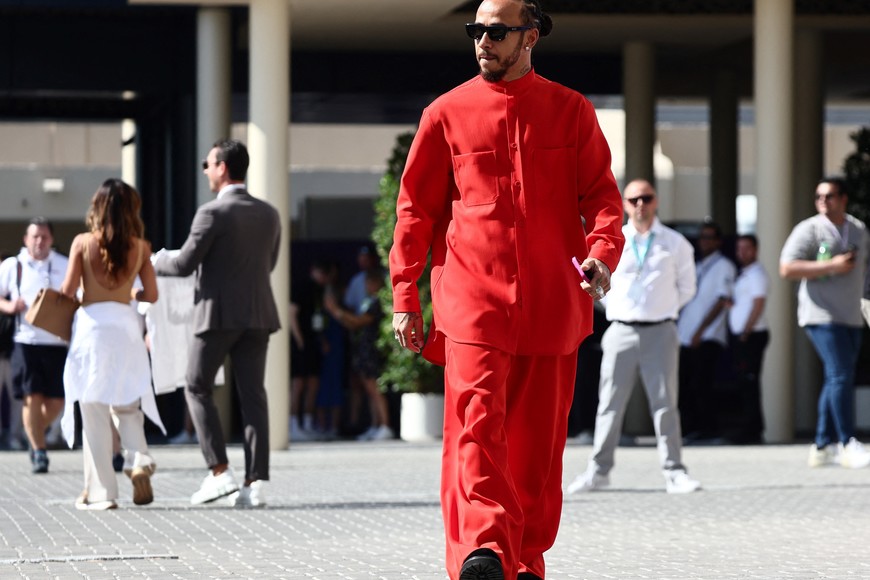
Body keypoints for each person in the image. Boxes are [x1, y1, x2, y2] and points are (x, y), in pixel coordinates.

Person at [389, 1, 625, 577]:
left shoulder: (571, 111)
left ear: (531, 36)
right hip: (472, 304)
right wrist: (404, 297)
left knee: (536, 453)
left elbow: (602, 199)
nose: (483, 42)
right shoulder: (445, 113)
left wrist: (601, 256)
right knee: (474, 428)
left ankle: (522, 561)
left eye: (496, 32)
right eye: (476, 31)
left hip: (552, 306)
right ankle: (485, 550)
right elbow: (414, 213)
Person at [154, 139, 281, 507]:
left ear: (222, 167)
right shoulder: (269, 213)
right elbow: (267, 265)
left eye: (207, 164)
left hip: (217, 315)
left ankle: (219, 472)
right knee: (253, 396)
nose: (206, 171)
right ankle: (254, 484)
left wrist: (152, 261)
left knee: (196, 386)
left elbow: (183, 264)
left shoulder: (211, 213)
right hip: (259, 315)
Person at [567, 179, 701, 496]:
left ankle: (674, 471)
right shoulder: (616, 239)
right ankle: (598, 472)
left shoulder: (676, 242)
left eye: (647, 198)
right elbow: (598, 285)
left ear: (656, 202)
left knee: (666, 404)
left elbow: (688, 288)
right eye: (633, 199)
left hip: (661, 329)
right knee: (609, 404)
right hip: (621, 329)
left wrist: (662, 308)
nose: (640, 204)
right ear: (625, 204)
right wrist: (618, 308)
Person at [59, 179, 163, 510]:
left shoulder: (82, 243)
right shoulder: (141, 247)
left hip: (92, 329)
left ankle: (103, 493)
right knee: (128, 403)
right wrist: (130, 293)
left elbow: (67, 291)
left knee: (94, 409)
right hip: (126, 328)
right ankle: (139, 458)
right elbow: (153, 296)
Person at [780, 176, 870, 469]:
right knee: (840, 374)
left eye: (829, 196)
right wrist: (830, 266)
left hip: (851, 314)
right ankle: (847, 443)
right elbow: (787, 267)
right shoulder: (808, 229)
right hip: (820, 315)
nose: (823, 201)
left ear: (843, 199)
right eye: (819, 196)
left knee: (836, 377)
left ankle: (821, 446)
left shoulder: (858, 229)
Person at [0, 218, 69, 474]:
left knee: (57, 402)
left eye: (45, 237)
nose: (40, 242)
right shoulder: (13, 266)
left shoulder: (63, 264)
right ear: (25, 240)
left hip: (56, 341)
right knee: (32, 396)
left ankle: (34, 434)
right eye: (35, 237)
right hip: (25, 341)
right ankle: (40, 452)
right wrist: (9, 306)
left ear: (51, 239)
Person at [677, 221, 736, 442]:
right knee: (684, 385)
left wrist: (700, 331)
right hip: (685, 335)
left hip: (707, 336)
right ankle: (691, 428)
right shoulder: (697, 265)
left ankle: (707, 429)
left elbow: (722, 300)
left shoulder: (725, 265)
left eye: (710, 237)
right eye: (703, 237)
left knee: (701, 384)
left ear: (719, 241)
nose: (705, 241)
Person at [325, 268, 393, 441]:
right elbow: (354, 325)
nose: (367, 286)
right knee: (369, 390)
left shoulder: (378, 302)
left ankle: (385, 425)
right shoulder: (368, 301)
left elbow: (359, 321)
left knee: (375, 389)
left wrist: (336, 311)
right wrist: (338, 314)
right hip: (363, 349)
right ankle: (375, 425)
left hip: (372, 350)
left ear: (378, 284)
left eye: (371, 283)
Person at [726, 234, 769, 444]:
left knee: (750, 384)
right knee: (744, 384)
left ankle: (752, 430)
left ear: (755, 250)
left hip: (751, 336)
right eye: (739, 249)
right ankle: (750, 428)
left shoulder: (757, 273)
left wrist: (745, 331)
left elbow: (758, 304)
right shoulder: (744, 273)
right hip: (743, 335)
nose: (742, 253)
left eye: (747, 248)